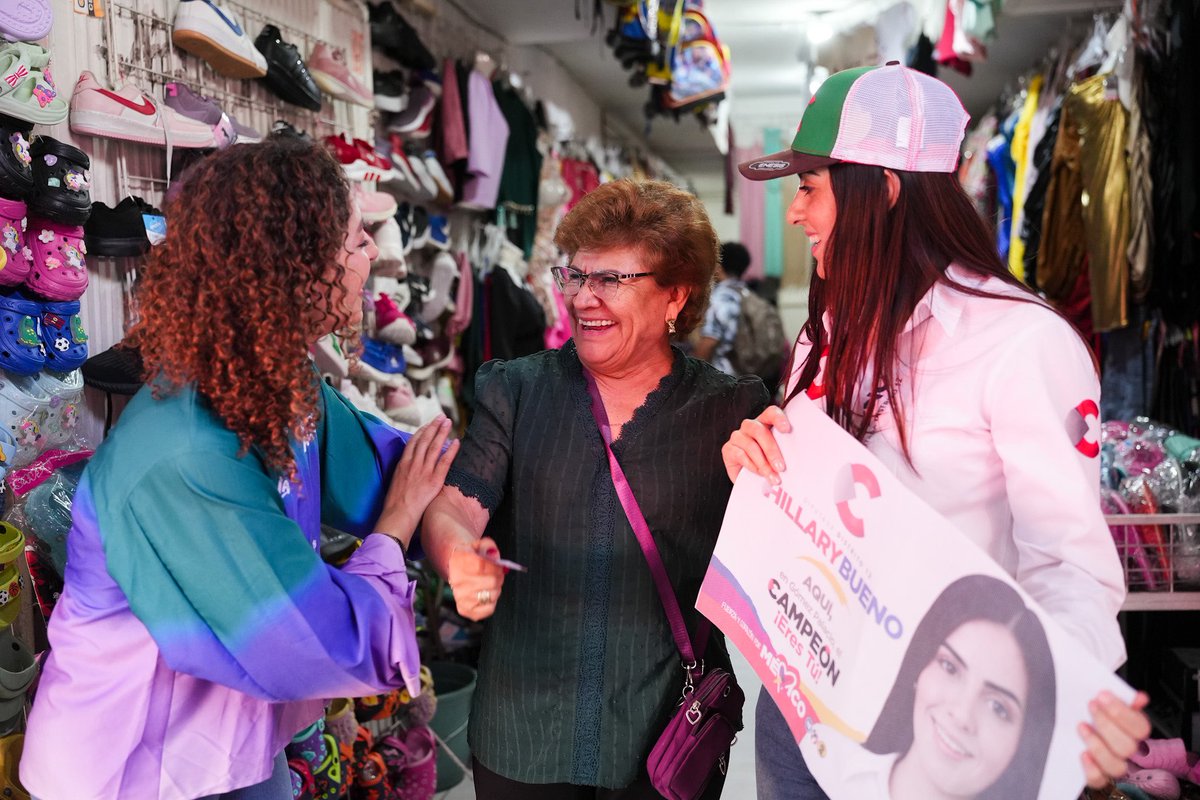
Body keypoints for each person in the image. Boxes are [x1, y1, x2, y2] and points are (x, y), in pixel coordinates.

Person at [722, 62, 1150, 798]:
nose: (795, 214)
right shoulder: (828, 329)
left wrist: (1064, 713)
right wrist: (757, 459)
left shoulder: (1022, 342)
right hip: (800, 708)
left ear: (882, 190)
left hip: (929, 739)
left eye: (810, 188)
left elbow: (1069, 568)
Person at [21, 138, 458, 800]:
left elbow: (390, 468)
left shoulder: (283, 385)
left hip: (228, 743)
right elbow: (315, 640)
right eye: (353, 239)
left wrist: (492, 472)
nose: (371, 253)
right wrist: (396, 527)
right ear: (294, 268)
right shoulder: (184, 454)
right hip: (134, 769)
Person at [420, 178, 769, 798]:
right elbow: (455, 505)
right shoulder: (518, 389)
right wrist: (460, 558)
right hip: (524, 729)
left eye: (612, 280)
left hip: (665, 732)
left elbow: (771, 572)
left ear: (674, 297)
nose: (584, 298)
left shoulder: (729, 411)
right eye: (576, 276)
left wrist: (765, 498)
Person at [802, 575, 1055, 799]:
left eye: (997, 707)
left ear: (1025, 741)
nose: (962, 715)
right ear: (919, 669)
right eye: (950, 667)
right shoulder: (824, 756)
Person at [695, 241, 753, 376]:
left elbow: (709, 341)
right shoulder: (746, 293)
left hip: (725, 376)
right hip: (749, 375)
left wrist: (690, 373)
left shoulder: (721, 298)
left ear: (718, 266)